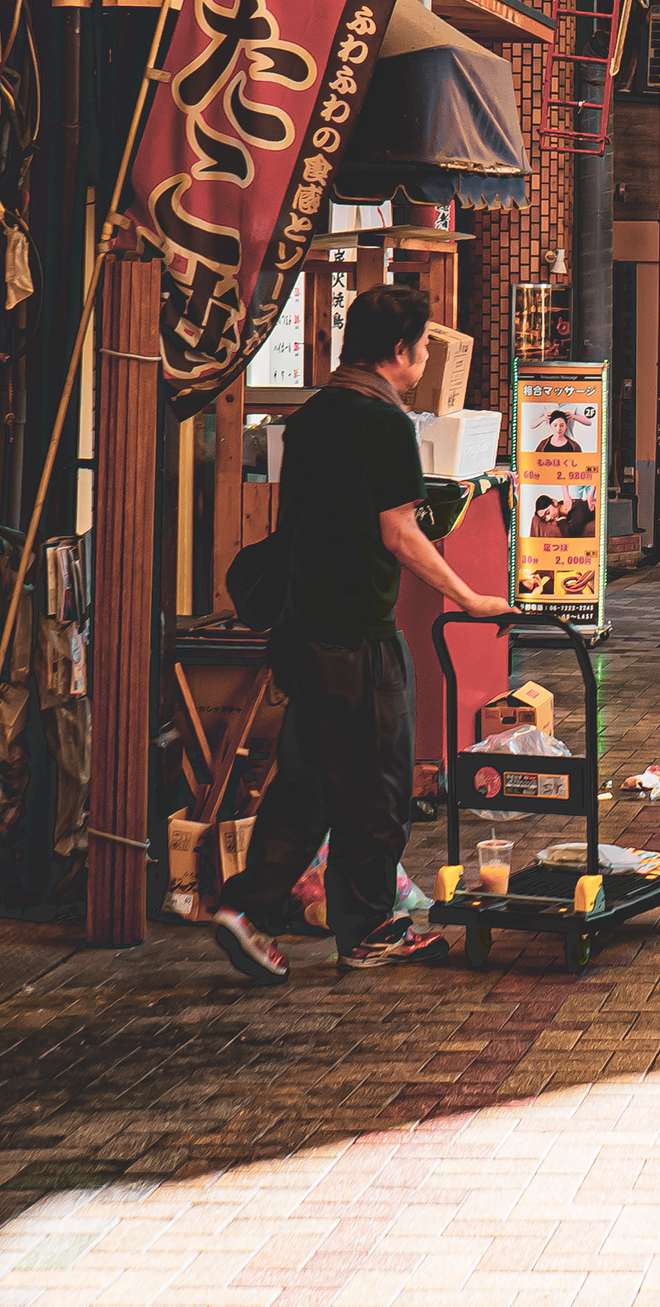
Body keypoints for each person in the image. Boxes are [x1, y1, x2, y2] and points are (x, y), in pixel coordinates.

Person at [212, 283, 504, 984]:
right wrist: (469, 596)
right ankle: (369, 928)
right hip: (355, 635)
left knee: (310, 778)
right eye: (425, 343)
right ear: (400, 351)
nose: (428, 354)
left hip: (303, 628)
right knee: (378, 783)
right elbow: (397, 530)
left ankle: (247, 909)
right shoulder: (383, 424)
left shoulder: (313, 418)